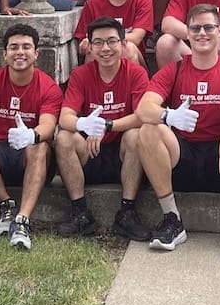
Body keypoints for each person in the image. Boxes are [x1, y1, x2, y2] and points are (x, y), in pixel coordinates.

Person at [136, 3, 220, 256]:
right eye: (195, 28)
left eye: (208, 27)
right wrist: (168, 115)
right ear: (188, 33)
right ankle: (172, 219)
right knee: (149, 129)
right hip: (183, 158)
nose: (202, 33)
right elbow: (143, 108)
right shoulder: (175, 70)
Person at [55, 17, 151, 241]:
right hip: (91, 152)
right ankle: (81, 213)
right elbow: (65, 117)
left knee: (137, 134)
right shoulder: (81, 74)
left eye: (111, 41)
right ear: (89, 46)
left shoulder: (136, 73)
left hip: (125, 154)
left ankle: (127, 213)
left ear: (123, 44)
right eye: (98, 42)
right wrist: (83, 124)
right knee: (65, 138)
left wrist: (106, 126)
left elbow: (143, 115)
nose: (105, 48)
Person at [0, 24, 62, 250]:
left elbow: (48, 126)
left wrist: (32, 134)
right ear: (5, 54)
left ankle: (22, 220)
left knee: (39, 145)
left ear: (36, 53)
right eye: (14, 47)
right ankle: (6, 204)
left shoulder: (49, 87)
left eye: (26, 47)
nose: (20, 52)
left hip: (29, 156)